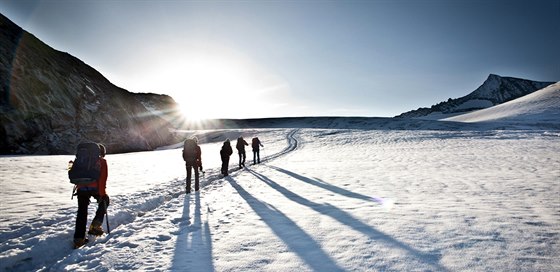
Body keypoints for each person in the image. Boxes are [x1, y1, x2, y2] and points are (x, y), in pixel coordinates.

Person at [73, 143, 109, 249]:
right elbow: (102, 179)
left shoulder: (80, 160)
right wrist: (102, 194)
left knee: (82, 212)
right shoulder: (102, 161)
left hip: (81, 188)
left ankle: (78, 239)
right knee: (105, 200)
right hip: (95, 188)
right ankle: (95, 225)